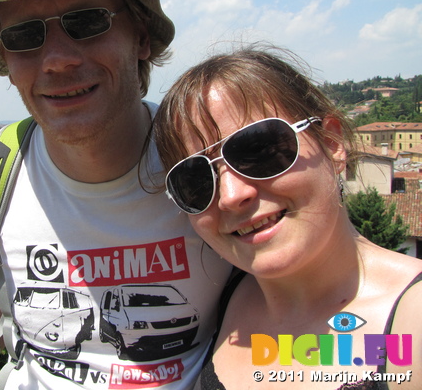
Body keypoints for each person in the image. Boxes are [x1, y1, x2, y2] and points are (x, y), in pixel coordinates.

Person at [0, 0, 232, 388]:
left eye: (88, 21)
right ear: (8, 63)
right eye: (24, 35)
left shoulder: (209, 159)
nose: (57, 60)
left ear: (140, 38)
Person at [152, 44, 422, 389]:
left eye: (259, 148)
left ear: (333, 143)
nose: (233, 196)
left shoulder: (413, 322)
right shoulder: (214, 303)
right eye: (194, 180)